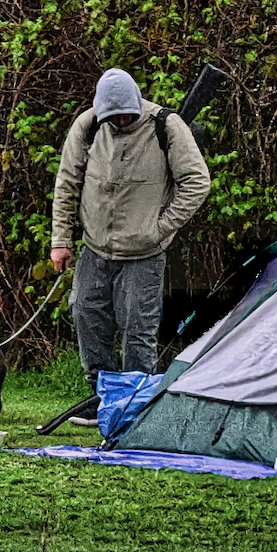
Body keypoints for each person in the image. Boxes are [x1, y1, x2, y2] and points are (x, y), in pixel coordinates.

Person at [50, 68, 211, 426]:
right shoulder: (87, 126)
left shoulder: (166, 126)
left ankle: (137, 405)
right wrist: (60, 241)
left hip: (144, 254)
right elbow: (67, 183)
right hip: (94, 248)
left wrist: (161, 228)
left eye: (127, 114)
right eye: (114, 116)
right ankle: (100, 396)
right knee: (85, 315)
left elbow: (197, 182)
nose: (121, 120)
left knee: (137, 329)